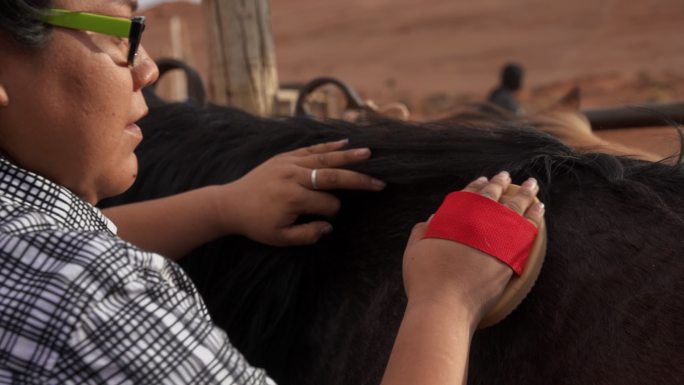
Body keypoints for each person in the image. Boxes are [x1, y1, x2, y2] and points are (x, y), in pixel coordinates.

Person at [0, 1, 544, 384]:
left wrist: (221, 206)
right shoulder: (95, 300)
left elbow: (42, 243)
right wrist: (444, 302)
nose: (147, 69)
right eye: (119, 34)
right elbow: (71, 276)